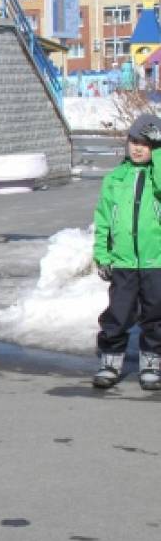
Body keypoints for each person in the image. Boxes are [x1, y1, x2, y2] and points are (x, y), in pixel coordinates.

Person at [91, 113, 161, 390]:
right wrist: (102, 255)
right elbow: (103, 220)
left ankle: (152, 362)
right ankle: (110, 361)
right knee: (117, 314)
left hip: (156, 262)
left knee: (155, 315)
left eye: (146, 143)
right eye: (134, 141)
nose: (138, 148)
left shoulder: (157, 178)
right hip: (123, 262)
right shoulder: (115, 179)